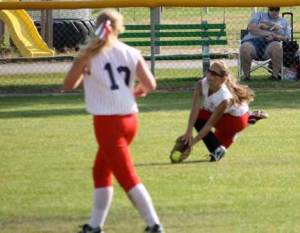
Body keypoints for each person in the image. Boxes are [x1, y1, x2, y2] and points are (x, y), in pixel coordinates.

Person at [64, 9, 163, 233]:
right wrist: (134, 92)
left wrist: (83, 64)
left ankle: (154, 224)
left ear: (95, 27)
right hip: (129, 119)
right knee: (100, 171)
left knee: (127, 176)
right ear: (119, 28)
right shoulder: (130, 51)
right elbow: (150, 85)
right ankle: (95, 225)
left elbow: (69, 84)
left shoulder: (89, 54)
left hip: (108, 123)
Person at [181, 61, 267, 162]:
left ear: (222, 79)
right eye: (208, 71)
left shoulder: (225, 98)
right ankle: (250, 118)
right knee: (217, 152)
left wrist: (190, 144)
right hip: (225, 117)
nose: (208, 75)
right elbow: (194, 108)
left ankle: (248, 119)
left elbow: (208, 125)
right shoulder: (201, 84)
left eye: (213, 74)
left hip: (236, 121)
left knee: (201, 115)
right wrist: (188, 131)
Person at [240, 7, 291, 81]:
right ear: (268, 9)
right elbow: (251, 28)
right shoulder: (259, 15)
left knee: (277, 47)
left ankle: (275, 77)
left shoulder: (283, 22)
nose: (274, 11)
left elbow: (287, 38)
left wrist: (276, 36)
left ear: (279, 10)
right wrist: (268, 33)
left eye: (276, 9)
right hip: (253, 41)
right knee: (244, 47)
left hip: (271, 43)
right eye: (271, 9)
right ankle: (246, 77)